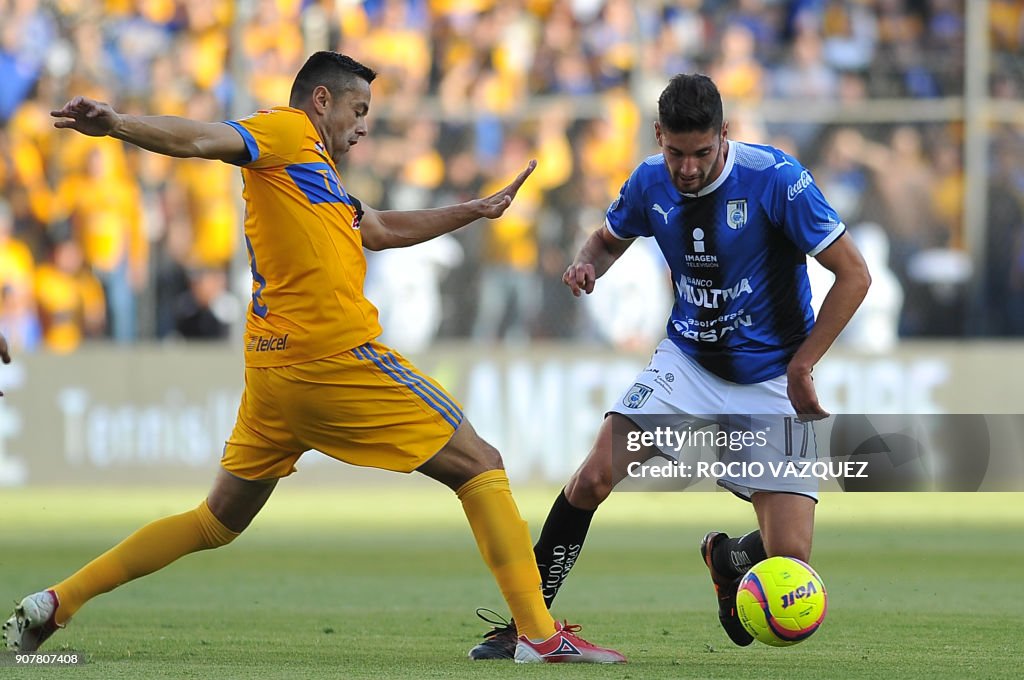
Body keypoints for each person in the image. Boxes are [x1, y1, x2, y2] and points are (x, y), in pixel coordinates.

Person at [2, 52, 624, 665]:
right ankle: (539, 636)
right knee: (480, 464)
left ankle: (58, 601)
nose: (363, 125)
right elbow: (201, 139)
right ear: (320, 101)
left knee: (215, 522)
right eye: (358, 110)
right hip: (332, 357)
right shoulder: (285, 131)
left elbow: (376, 228)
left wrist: (473, 210)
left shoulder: (316, 175)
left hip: (274, 374)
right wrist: (116, 124)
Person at [468, 73, 870, 659]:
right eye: (675, 152)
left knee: (792, 561)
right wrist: (588, 265)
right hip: (687, 364)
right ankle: (524, 625)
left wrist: (804, 366)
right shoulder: (648, 180)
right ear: (658, 136)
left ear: (724, 135)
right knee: (591, 478)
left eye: (701, 153)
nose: (686, 168)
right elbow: (608, 237)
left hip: (772, 377)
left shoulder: (776, 180)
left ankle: (730, 557)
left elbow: (854, 274)